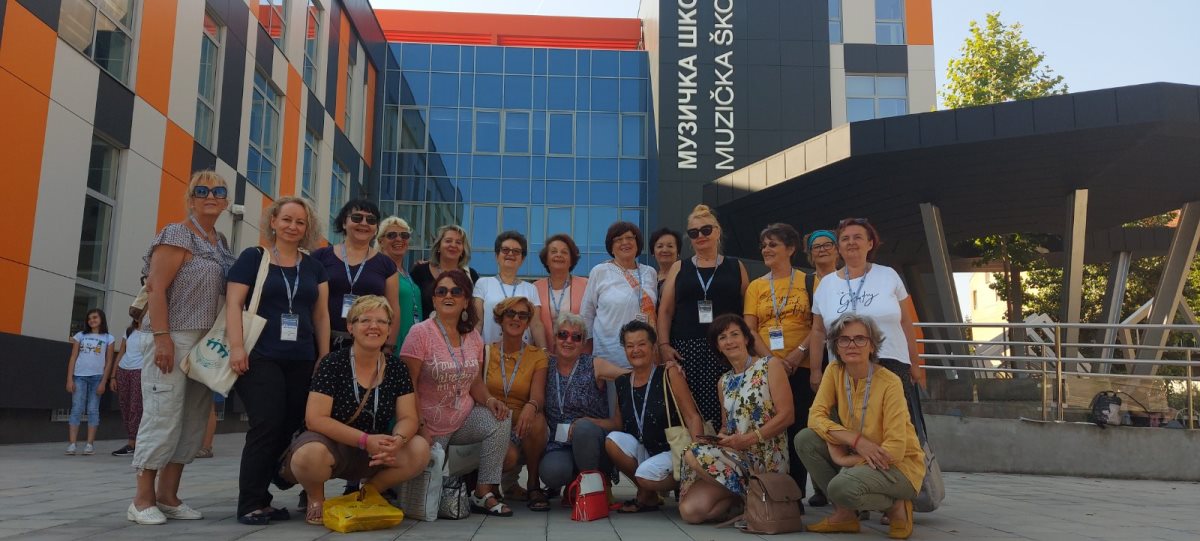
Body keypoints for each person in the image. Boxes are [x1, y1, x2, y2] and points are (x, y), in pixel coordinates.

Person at [130, 170, 235, 525]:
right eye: (202, 190)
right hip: (173, 334)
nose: (211, 196)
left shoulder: (220, 242)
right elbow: (156, 287)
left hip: (206, 341)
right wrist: (162, 337)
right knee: (162, 413)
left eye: (218, 191)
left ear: (226, 201)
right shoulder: (177, 233)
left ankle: (168, 495)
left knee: (192, 419)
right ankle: (141, 499)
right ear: (190, 198)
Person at [281, 295, 430, 526]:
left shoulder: (396, 367)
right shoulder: (333, 363)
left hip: (375, 447)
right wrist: (364, 440)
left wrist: (398, 440)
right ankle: (316, 498)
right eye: (365, 320)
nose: (374, 326)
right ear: (351, 327)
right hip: (333, 443)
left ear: (389, 329)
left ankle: (369, 492)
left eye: (381, 321)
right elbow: (315, 419)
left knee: (419, 448)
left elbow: (408, 416)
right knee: (308, 455)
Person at [226, 196, 331, 525]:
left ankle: (268, 489)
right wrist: (236, 347)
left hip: (301, 357)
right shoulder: (253, 258)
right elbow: (234, 304)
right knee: (266, 424)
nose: (292, 226)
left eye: (300, 222)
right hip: (260, 355)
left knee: (290, 424)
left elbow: (321, 315)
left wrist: (323, 355)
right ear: (273, 221)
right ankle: (250, 502)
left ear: (307, 228)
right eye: (286, 219)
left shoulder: (313, 266)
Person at [795, 314, 924, 539]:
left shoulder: (890, 383)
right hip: (860, 454)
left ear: (872, 345)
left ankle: (897, 507)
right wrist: (855, 441)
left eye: (860, 339)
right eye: (844, 339)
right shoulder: (834, 371)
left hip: (898, 467)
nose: (852, 345)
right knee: (805, 440)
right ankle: (845, 515)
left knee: (840, 487)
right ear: (836, 346)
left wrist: (845, 460)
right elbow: (815, 417)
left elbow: (895, 450)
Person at [400, 269, 514, 517]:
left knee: (501, 418)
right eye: (441, 291)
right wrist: (420, 426)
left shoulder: (472, 336)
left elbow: (475, 381)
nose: (448, 296)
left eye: (456, 291)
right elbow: (408, 386)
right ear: (434, 300)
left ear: (466, 300)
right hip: (430, 425)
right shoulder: (420, 333)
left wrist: (490, 400)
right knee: (427, 490)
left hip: (463, 420)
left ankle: (483, 492)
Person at [807, 218, 926, 446]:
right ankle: (859, 468)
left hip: (891, 362)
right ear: (839, 247)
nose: (851, 242)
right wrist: (815, 371)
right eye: (845, 238)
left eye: (858, 237)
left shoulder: (888, 275)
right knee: (857, 428)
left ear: (870, 244)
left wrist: (915, 363)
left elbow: (906, 322)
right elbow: (818, 331)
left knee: (900, 430)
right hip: (846, 367)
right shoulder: (826, 285)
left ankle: (903, 469)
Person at [678, 314, 793, 525]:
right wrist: (719, 439)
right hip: (736, 457)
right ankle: (746, 500)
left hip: (766, 455)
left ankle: (755, 495)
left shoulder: (770, 365)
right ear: (718, 346)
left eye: (735, 334)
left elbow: (787, 416)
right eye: (722, 337)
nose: (729, 341)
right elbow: (726, 426)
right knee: (690, 512)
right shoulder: (724, 381)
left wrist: (749, 439)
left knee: (692, 453)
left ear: (746, 339)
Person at [742, 223, 820, 500]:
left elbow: (819, 325)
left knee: (799, 429)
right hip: (768, 369)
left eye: (773, 244)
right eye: (764, 245)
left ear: (791, 248)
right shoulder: (756, 286)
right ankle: (772, 493)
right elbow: (750, 330)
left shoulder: (809, 281)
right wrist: (772, 361)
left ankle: (795, 495)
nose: (766, 249)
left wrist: (799, 352)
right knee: (773, 431)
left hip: (803, 366)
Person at [658, 205, 749, 432]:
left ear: (717, 232)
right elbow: (666, 310)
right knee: (692, 412)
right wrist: (664, 345)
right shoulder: (679, 267)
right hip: (687, 350)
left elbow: (747, 309)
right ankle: (698, 450)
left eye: (706, 230)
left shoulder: (735, 266)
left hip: (727, 348)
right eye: (694, 232)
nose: (700, 236)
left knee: (730, 406)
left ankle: (730, 448)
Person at [606, 320, 705, 513]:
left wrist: (698, 457)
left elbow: (692, 416)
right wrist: (587, 422)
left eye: (641, 344)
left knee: (645, 475)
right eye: (630, 346)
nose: (636, 350)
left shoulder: (669, 373)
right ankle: (648, 495)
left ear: (653, 347)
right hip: (644, 448)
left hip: (673, 450)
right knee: (612, 440)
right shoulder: (622, 382)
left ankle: (678, 482)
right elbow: (617, 424)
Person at [540, 312, 628, 500]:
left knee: (583, 429)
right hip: (560, 442)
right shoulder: (546, 365)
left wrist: (614, 416)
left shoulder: (594, 364)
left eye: (576, 337)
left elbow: (628, 377)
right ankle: (574, 480)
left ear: (583, 343)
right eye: (563, 334)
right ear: (554, 338)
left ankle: (594, 489)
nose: (568, 341)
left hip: (592, 438)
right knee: (551, 473)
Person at [483, 297, 551, 510]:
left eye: (523, 315)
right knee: (509, 457)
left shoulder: (537, 355)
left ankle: (533, 484)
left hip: (521, 424)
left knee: (538, 419)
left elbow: (538, 395)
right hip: (492, 422)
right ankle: (489, 485)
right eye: (510, 314)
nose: (516, 319)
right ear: (500, 318)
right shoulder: (486, 352)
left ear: (528, 322)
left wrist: (531, 406)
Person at [311, 199, 400, 353]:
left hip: (369, 345)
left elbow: (393, 308)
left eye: (371, 220)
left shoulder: (386, 265)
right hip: (322, 344)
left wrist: (388, 347)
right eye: (357, 217)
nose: (364, 223)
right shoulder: (320, 257)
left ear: (376, 228)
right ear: (344, 223)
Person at [580, 222, 658, 368]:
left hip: (644, 356)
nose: (625, 242)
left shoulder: (650, 273)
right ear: (611, 246)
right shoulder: (600, 271)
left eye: (629, 238)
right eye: (618, 239)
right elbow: (586, 315)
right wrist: (586, 354)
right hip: (609, 358)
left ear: (637, 243)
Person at [801, 228, 838, 507]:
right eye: (817, 246)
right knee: (816, 419)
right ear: (810, 253)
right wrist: (813, 366)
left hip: (845, 355)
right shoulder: (806, 281)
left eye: (828, 245)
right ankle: (821, 486)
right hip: (816, 357)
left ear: (837, 249)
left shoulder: (847, 277)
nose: (822, 250)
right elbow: (811, 325)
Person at [473, 231, 546, 347]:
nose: (510, 254)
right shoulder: (483, 283)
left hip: (523, 354)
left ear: (522, 259)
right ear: (497, 256)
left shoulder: (531, 288)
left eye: (516, 251)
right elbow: (478, 322)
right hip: (490, 352)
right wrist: (472, 350)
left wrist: (543, 351)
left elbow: (535, 324)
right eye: (505, 250)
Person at [65, 308, 115, 456]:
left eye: (95, 317)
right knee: (77, 408)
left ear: (101, 319)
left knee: (93, 409)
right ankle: (72, 444)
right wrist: (69, 379)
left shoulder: (108, 338)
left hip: (97, 377)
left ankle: (89, 444)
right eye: (89, 318)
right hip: (79, 376)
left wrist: (104, 382)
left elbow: (109, 361)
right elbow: (73, 357)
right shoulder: (80, 335)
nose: (92, 320)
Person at [533, 234, 589, 354]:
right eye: (554, 251)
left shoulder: (586, 285)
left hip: (578, 355)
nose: (558, 255)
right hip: (545, 354)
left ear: (571, 260)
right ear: (546, 259)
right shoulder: (535, 288)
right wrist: (543, 352)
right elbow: (534, 323)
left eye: (564, 252)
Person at [411, 224, 480, 319]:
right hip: (425, 327)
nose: (453, 245)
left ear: (463, 250)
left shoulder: (471, 275)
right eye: (448, 241)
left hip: (461, 327)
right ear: (439, 246)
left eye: (458, 242)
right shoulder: (420, 271)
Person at [378, 216, 423, 346]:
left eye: (404, 235)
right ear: (381, 241)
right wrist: (388, 345)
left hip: (413, 344)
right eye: (391, 235)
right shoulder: (378, 270)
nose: (399, 239)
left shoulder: (407, 273)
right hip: (390, 344)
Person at [112, 319, 146, 457]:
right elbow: (121, 352)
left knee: (136, 407)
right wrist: (113, 376)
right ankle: (132, 441)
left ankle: (134, 443)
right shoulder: (129, 331)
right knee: (124, 405)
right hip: (123, 369)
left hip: (139, 370)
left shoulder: (150, 332)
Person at [649, 228, 681, 298]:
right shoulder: (649, 278)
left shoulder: (684, 276)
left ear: (678, 251)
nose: (665, 250)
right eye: (660, 246)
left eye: (670, 246)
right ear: (653, 252)